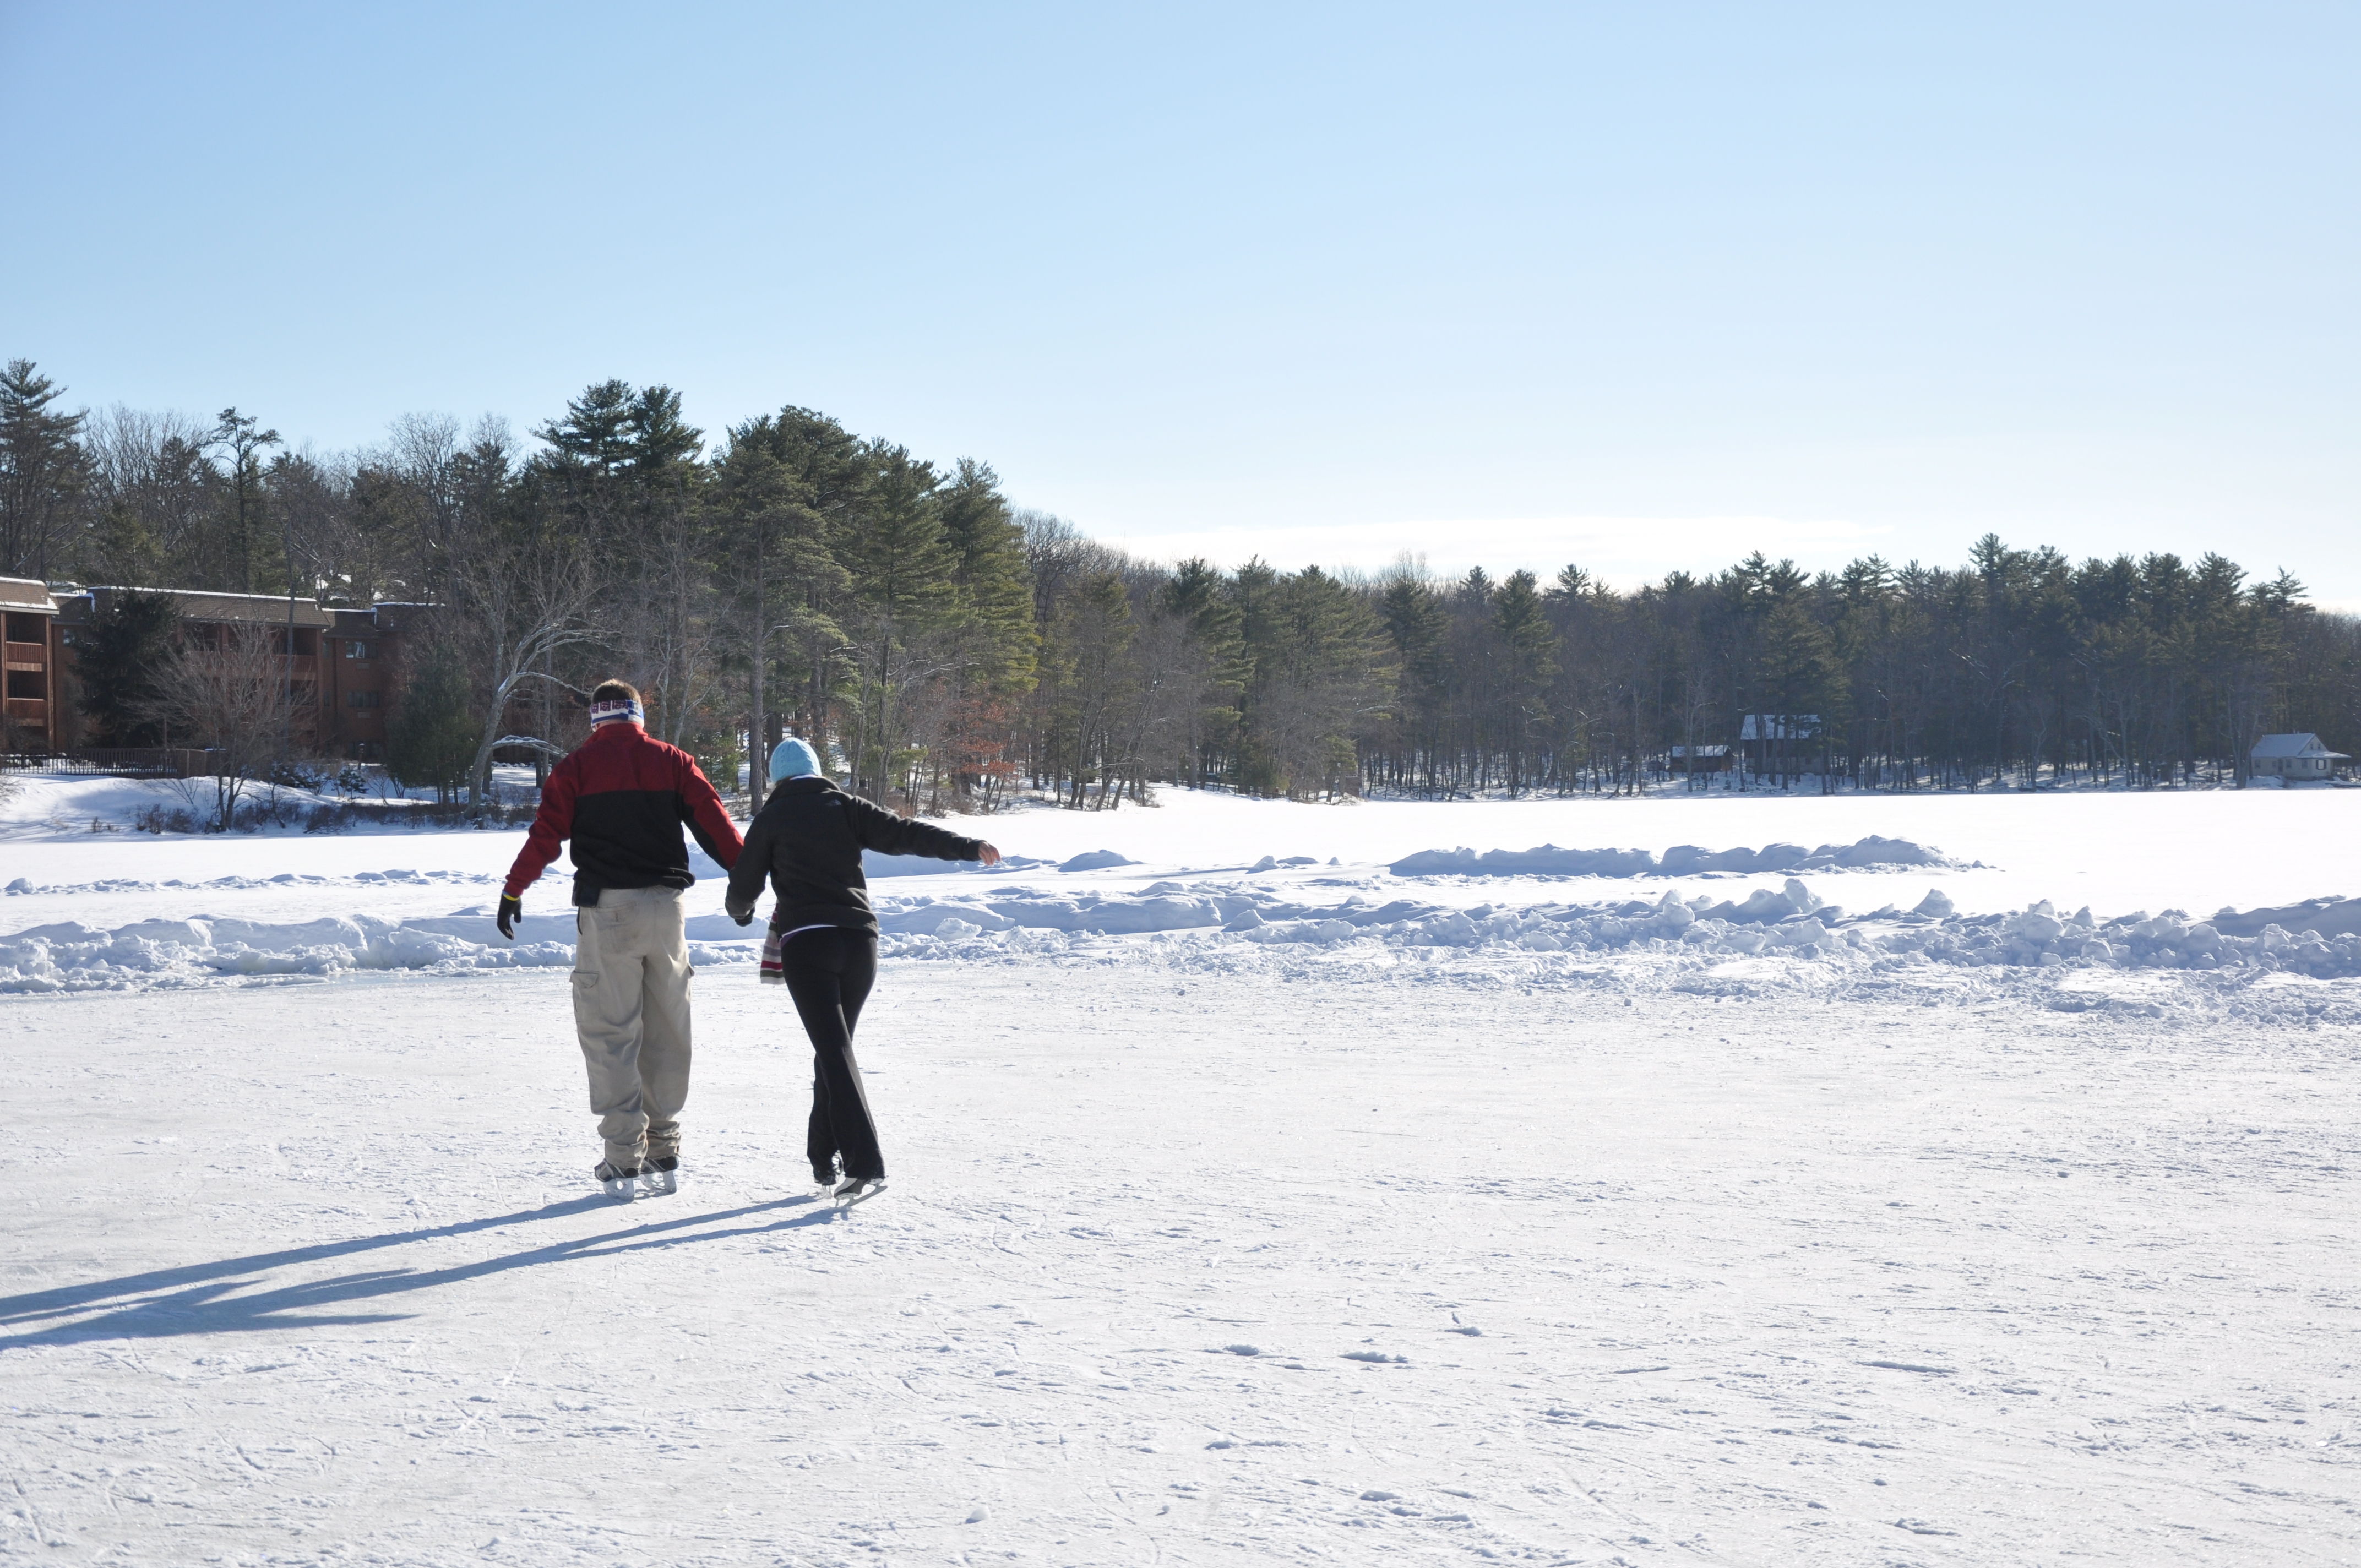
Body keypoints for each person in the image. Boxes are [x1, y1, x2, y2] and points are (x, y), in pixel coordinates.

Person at [724, 735, 999, 1202]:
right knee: (834, 1049)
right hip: (859, 943)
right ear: (816, 770)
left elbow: (742, 887)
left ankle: (864, 1164)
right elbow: (906, 833)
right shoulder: (846, 806)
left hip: (808, 945)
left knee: (834, 1051)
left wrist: (742, 913)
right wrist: (969, 846)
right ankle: (821, 1156)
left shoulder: (772, 817)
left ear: (776, 779)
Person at [497, 680, 744, 1200]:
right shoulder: (674, 761)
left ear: (595, 720)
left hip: (609, 912)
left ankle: (622, 1159)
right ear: (638, 715)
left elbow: (546, 835)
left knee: (612, 1031)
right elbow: (715, 825)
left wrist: (514, 889)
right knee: (668, 1026)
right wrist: (748, 881)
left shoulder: (576, 768)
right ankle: (664, 1145)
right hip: (667, 912)